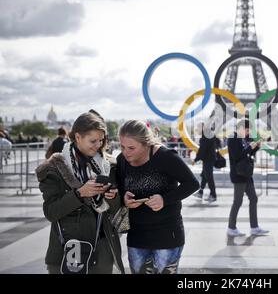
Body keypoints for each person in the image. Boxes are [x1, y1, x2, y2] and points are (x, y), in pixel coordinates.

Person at [35, 110, 125, 274]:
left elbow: (117, 211)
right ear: (77, 137)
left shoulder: (109, 165)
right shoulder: (53, 169)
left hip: (102, 251)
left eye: (101, 140)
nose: (98, 145)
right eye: (93, 141)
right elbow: (51, 212)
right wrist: (79, 194)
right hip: (67, 250)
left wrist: (113, 197)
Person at [116, 120, 199, 274]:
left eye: (131, 148)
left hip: (167, 235)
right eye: (122, 147)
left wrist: (164, 200)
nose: (125, 152)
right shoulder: (122, 160)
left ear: (146, 143)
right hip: (137, 236)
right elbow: (119, 188)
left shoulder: (166, 157)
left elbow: (192, 184)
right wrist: (124, 198)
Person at [227, 119, 269, 237]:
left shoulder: (244, 139)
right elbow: (237, 156)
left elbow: (247, 154)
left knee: (253, 198)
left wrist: (256, 147)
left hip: (246, 174)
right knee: (238, 201)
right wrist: (250, 147)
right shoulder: (233, 139)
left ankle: (254, 227)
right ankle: (231, 227)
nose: (248, 132)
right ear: (240, 128)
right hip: (239, 174)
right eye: (247, 130)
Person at [192, 123, 218, 202]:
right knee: (204, 175)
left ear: (203, 127)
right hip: (209, 158)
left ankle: (213, 195)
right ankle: (200, 192)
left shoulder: (205, 136)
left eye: (198, 127)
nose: (197, 129)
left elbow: (202, 150)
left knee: (209, 177)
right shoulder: (209, 134)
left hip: (208, 159)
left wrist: (195, 159)